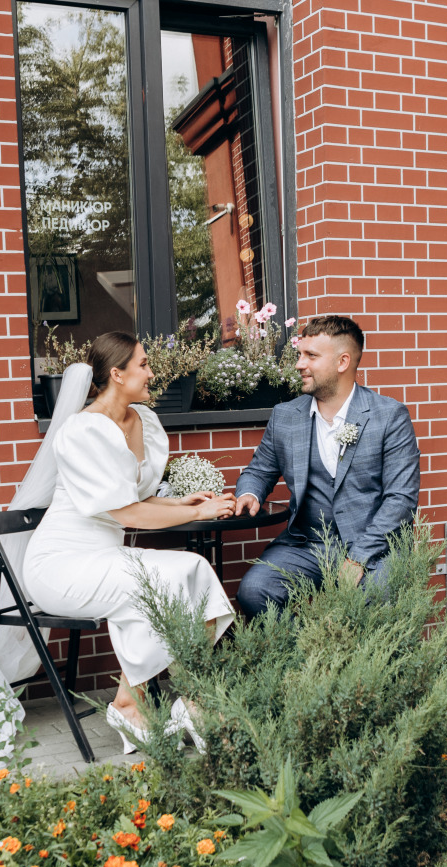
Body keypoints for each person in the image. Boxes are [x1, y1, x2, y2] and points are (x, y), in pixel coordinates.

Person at [24, 331, 236, 752]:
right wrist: (198, 513)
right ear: (117, 374)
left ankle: (178, 700)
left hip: (107, 557)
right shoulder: (82, 431)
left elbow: (135, 496)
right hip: (62, 564)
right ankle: (139, 703)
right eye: (143, 364)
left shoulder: (143, 422)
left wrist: (179, 500)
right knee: (156, 580)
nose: (152, 372)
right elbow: (125, 513)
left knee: (194, 569)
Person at [233, 315, 420, 617]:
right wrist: (250, 494)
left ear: (342, 362)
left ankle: (363, 663)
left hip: (372, 546)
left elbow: (401, 499)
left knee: (374, 598)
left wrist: (358, 558)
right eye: (299, 354)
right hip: (307, 544)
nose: (299, 364)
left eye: (311, 356)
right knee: (255, 590)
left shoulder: (389, 416)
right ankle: (305, 659)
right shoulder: (286, 416)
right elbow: (259, 470)